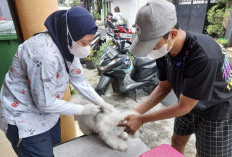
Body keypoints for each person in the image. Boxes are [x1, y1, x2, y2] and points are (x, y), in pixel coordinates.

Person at [118, 1, 232, 157]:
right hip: (186, 99)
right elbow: (164, 88)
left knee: (205, 153)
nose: (150, 50)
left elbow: (184, 107)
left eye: (153, 45)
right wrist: (135, 112)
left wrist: (142, 119)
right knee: (177, 141)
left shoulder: (204, 56)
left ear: (172, 34)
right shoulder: (163, 50)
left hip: (215, 109)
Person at [0, 7, 113, 157]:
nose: (86, 48)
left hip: (48, 114)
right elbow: (44, 103)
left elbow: (79, 80)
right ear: (69, 34)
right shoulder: (44, 55)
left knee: (56, 150)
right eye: (84, 43)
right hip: (24, 119)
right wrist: (82, 110)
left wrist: (101, 102)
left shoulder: (68, 45)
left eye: (89, 42)